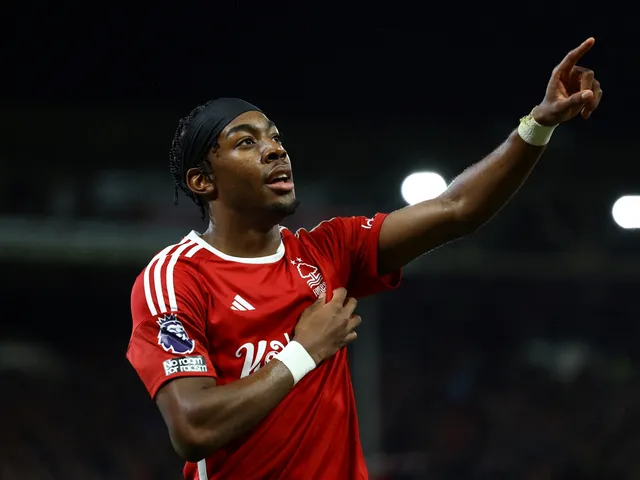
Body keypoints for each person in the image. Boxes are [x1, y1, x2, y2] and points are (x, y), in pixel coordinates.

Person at [126, 37, 602, 479]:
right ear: (202, 181)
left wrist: (538, 124)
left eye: (275, 137)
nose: (274, 150)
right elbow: (193, 428)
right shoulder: (177, 278)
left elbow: (456, 209)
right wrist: (303, 352)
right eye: (246, 142)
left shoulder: (328, 249)